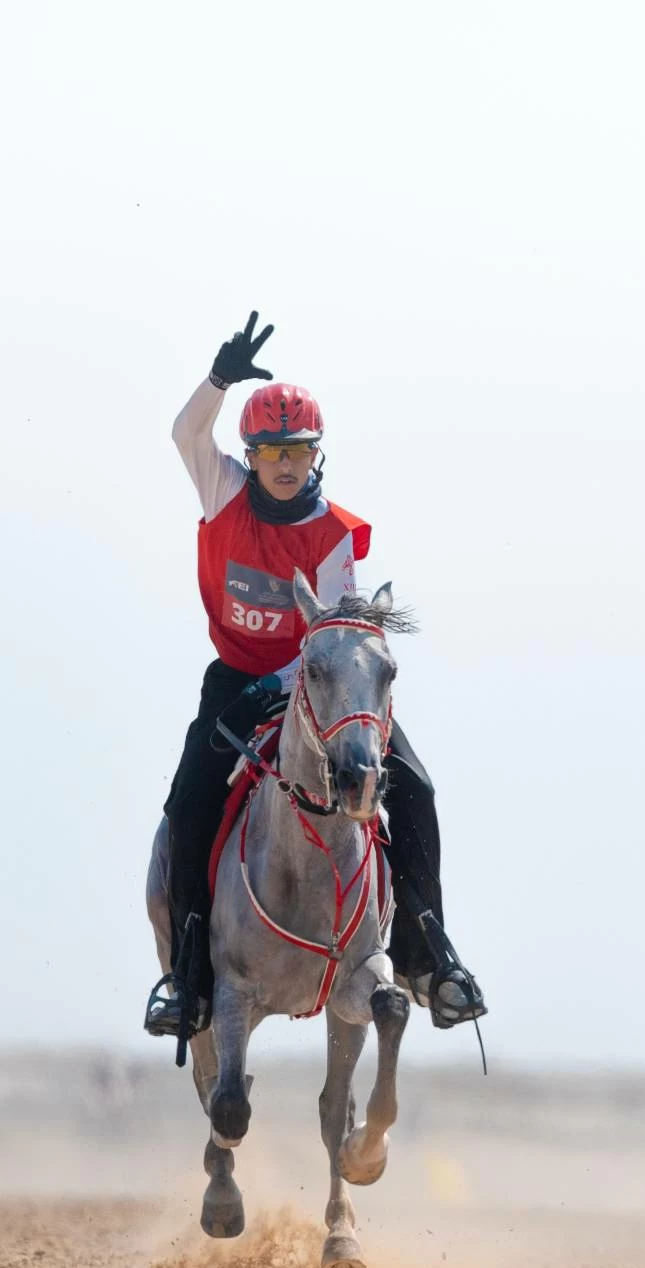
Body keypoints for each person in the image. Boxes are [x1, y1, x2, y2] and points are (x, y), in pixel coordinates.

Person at [145, 311, 484, 1038]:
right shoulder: (223, 494)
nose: (283, 462)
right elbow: (185, 436)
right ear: (252, 456)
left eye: (296, 449)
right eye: (269, 450)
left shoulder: (332, 534)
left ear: (315, 454)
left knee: (416, 788)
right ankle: (187, 978)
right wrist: (218, 380)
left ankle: (432, 958)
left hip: (320, 692)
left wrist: (289, 686)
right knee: (186, 807)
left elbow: (331, 639)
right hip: (234, 683)